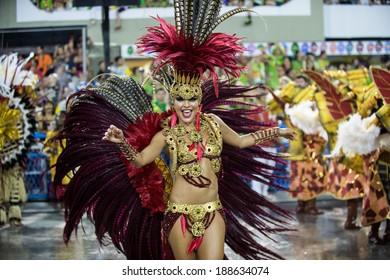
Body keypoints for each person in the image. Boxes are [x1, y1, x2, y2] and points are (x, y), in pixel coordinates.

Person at [52, 0, 296, 260]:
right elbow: (139, 160)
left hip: (213, 210)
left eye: (191, 98)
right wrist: (122, 141)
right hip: (178, 212)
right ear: (173, 101)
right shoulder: (166, 134)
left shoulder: (214, 123)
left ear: (199, 100)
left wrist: (276, 131)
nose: (186, 104)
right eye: (180, 99)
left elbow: (243, 141)